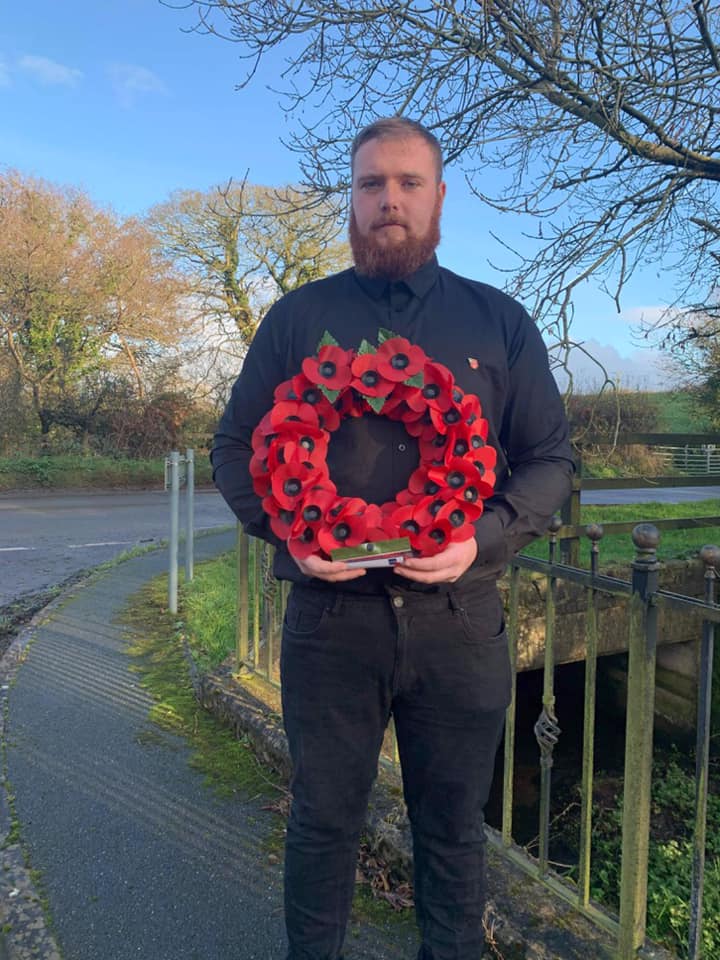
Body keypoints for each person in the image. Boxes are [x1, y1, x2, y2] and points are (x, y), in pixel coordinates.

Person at [212, 117, 574, 960]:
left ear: (439, 197)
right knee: (324, 820)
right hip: (331, 626)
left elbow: (550, 461)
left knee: (451, 830)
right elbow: (235, 447)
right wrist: (283, 532)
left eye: (409, 183)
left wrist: (481, 540)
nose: (389, 201)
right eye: (372, 184)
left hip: (459, 620)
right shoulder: (298, 319)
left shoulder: (500, 324)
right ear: (352, 199)